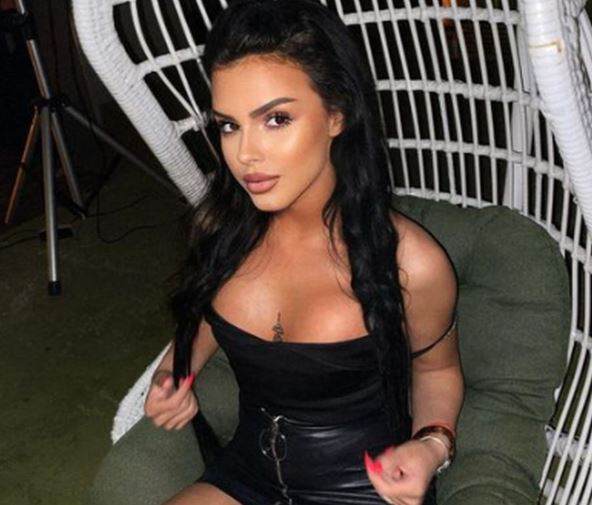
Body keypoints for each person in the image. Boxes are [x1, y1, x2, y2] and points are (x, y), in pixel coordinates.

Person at [144, 1, 464, 504]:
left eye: (276, 119)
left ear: (337, 113)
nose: (245, 154)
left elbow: (437, 370)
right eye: (229, 125)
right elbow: (204, 313)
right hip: (246, 473)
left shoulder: (410, 263)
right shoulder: (221, 230)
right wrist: (175, 371)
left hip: (362, 486)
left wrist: (431, 446)